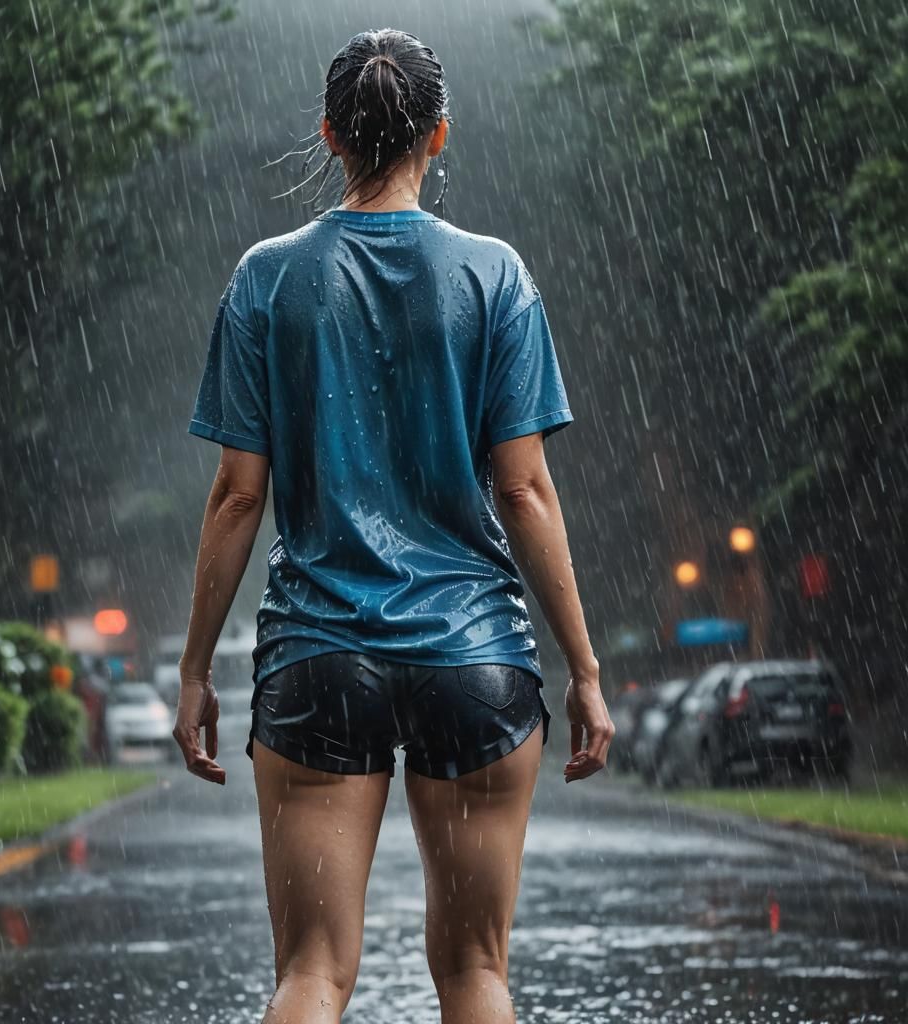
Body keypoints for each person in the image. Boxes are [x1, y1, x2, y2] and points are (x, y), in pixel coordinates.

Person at [173, 27, 614, 1024]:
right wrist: (581, 669)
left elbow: (238, 495)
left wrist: (198, 667)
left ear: (331, 135)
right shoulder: (494, 277)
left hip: (318, 653)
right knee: (474, 973)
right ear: (439, 135)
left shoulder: (267, 278)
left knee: (313, 973)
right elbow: (526, 492)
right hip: (475, 657)